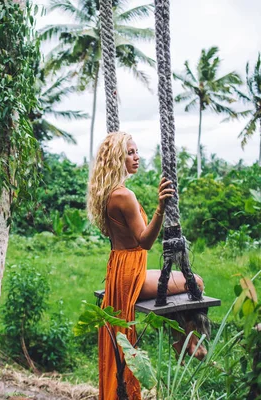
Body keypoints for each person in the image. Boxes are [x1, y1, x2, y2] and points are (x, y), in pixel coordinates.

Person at [87, 132, 205, 400]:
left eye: (136, 151)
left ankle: (183, 341)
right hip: (131, 276)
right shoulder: (124, 195)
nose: (136, 156)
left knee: (177, 284)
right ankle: (187, 343)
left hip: (120, 270)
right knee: (195, 282)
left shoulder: (108, 193)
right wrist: (160, 209)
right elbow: (144, 242)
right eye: (129, 152)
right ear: (117, 158)